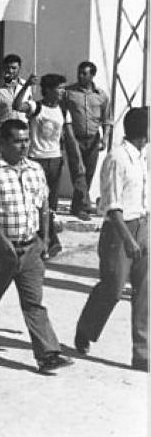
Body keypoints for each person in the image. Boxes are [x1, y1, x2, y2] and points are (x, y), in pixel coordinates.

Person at [0, 119, 74, 373]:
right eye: (17, 141)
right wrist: (1, 240)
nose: (24, 145)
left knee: (33, 302)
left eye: (26, 140)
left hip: (30, 248)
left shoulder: (35, 170)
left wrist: (46, 238)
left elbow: (44, 206)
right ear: (3, 142)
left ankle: (48, 353)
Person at [75, 107, 148, 371]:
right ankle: (85, 329)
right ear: (144, 130)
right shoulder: (116, 158)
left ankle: (142, 353)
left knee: (145, 293)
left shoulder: (143, 157)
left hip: (143, 225)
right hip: (119, 231)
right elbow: (112, 204)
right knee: (113, 289)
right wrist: (128, 239)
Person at [12, 73, 84, 259]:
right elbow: (17, 105)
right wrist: (27, 85)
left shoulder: (63, 110)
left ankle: (47, 239)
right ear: (49, 89)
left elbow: (70, 137)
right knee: (37, 202)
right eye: (59, 88)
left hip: (55, 160)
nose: (62, 92)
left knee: (51, 204)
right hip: (37, 160)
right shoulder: (36, 107)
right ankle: (44, 239)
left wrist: (78, 162)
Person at [64, 61, 112, 220]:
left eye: (84, 73)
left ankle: (76, 205)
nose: (80, 76)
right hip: (74, 138)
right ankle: (83, 207)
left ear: (92, 75)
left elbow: (107, 120)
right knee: (78, 172)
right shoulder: (69, 93)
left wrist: (105, 139)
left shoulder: (102, 95)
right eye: (79, 72)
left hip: (93, 139)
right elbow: (61, 114)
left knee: (89, 173)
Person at [0, 53, 30, 155]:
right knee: (1, 163)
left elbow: (29, 110)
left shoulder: (26, 86)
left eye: (14, 68)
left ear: (19, 68)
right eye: (7, 68)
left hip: (21, 132)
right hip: (2, 131)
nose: (10, 71)